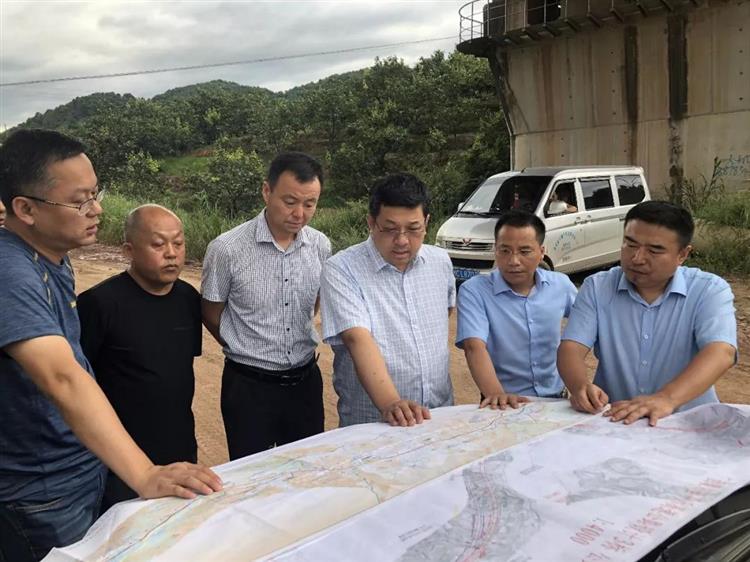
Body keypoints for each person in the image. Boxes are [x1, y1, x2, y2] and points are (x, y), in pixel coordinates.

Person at [0, 129, 221, 562]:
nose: (96, 209)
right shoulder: (11, 273)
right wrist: (145, 473)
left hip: (79, 470)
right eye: (79, 201)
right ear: (25, 209)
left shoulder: (51, 259)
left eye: (95, 194)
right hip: (42, 493)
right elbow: (63, 377)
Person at [558, 201, 737, 426]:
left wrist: (666, 398)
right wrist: (579, 386)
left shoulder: (708, 289)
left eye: (654, 250)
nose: (637, 258)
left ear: (682, 254)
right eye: (630, 244)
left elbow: (721, 352)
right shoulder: (597, 287)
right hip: (617, 422)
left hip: (688, 424)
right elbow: (571, 347)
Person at [202, 152, 331, 460]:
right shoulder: (227, 249)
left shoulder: (320, 245)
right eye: (290, 201)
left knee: (306, 470)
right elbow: (210, 312)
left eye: (310, 204)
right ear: (266, 191)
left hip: (304, 384)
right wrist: (247, 347)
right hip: (249, 388)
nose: (299, 213)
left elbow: (313, 304)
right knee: (249, 473)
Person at [77, 205, 202, 512]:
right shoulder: (99, 304)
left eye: (178, 243)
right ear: (128, 251)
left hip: (179, 449)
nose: (171, 253)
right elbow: (76, 384)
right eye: (158, 245)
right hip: (120, 459)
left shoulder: (188, 298)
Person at [320, 173, 455, 427]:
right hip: (373, 424)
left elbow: (444, 315)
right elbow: (356, 338)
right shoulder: (342, 269)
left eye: (413, 229)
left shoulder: (440, 262)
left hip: (438, 416)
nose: (402, 240)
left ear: (426, 222)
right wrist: (391, 403)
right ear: (371, 222)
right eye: (390, 229)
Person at [456, 210, 578, 409]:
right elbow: (474, 347)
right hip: (503, 402)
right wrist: (497, 395)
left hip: (557, 400)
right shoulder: (475, 291)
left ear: (542, 251)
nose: (513, 261)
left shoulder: (561, 285)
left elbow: (587, 329)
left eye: (524, 251)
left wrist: (580, 384)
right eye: (505, 251)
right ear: (495, 250)